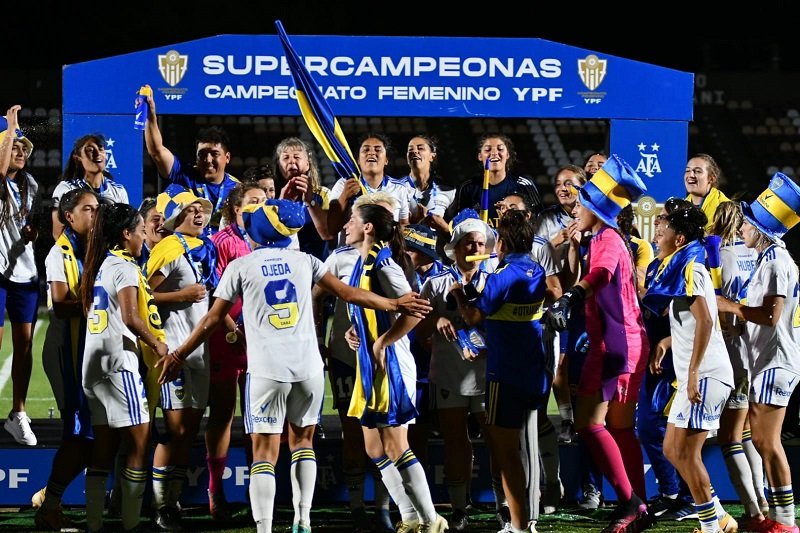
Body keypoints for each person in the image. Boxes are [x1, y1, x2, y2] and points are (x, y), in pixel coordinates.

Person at [157, 199, 432, 533]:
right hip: (308, 370)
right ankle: (303, 520)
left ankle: (265, 527)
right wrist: (392, 303)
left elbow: (213, 319)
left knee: (264, 453)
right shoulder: (307, 261)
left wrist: (179, 354)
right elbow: (348, 294)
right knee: (303, 444)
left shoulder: (241, 266)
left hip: (266, 370)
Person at [545, 154, 652, 533]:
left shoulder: (605, 238)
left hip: (612, 343)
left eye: (581, 205)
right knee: (621, 429)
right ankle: (640, 505)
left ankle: (630, 503)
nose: (575, 209)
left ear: (595, 209)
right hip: (632, 340)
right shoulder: (610, 237)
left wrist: (570, 297)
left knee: (590, 424)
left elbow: (600, 275)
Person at [343, 202, 447, 533]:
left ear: (369, 227)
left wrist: (383, 341)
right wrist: (355, 330)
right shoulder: (363, 261)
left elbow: (416, 310)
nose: (346, 225)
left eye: (352, 220)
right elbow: (371, 310)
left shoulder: (385, 264)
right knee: (374, 447)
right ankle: (411, 516)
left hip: (389, 366)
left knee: (395, 445)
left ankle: (432, 520)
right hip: (370, 363)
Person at [449, 208, 549, 533]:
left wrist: (458, 295)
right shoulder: (536, 270)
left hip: (504, 374)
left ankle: (518, 525)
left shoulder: (501, 276)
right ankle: (528, 520)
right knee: (529, 449)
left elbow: (474, 317)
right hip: (534, 369)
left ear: (502, 241)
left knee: (506, 454)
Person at [643, 206, 737, 533]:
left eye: (661, 230)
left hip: (706, 374)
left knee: (688, 452)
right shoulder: (680, 264)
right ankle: (720, 517)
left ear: (679, 238)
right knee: (672, 449)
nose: (656, 236)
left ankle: (711, 526)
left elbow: (707, 320)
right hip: (694, 375)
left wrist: (694, 371)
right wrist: (668, 343)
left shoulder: (691, 268)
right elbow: (692, 319)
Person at [717, 172, 800, 533]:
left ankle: (785, 520)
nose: (741, 231)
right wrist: (740, 320)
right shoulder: (769, 259)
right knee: (762, 439)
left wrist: (732, 308)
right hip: (765, 360)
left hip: (776, 361)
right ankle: (770, 516)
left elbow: (771, 314)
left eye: (747, 225)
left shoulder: (778, 261)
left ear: (761, 230)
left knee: (767, 440)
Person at [311, 192, 399, 533]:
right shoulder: (339, 258)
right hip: (347, 358)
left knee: (387, 432)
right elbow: (316, 297)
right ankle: (356, 506)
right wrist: (320, 340)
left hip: (382, 358)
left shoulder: (396, 258)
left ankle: (383, 507)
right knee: (353, 432)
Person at [80, 202, 167, 533]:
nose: (145, 234)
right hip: (118, 363)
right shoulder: (126, 267)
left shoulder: (103, 265)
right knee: (139, 443)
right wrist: (157, 343)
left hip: (94, 362)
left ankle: (94, 523)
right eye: (141, 229)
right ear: (126, 233)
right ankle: (131, 524)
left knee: (103, 446)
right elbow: (131, 317)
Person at [416, 212, 499, 531]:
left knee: (496, 441)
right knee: (455, 441)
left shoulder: (493, 281)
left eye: (481, 242)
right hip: (449, 375)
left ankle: (502, 505)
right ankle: (460, 507)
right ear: (456, 246)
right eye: (469, 242)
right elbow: (419, 330)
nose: (475, 247)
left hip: (487, 375)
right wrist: (435, 321)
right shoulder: (436, 283)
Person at [145, 186, 216, 530]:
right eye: (191, 211)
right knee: (173, 433)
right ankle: (162, 505)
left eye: (201, 209)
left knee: (190, 431)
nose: (200, 214)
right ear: (177, 218)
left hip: (199, 351)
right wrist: (181, 294)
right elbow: (143, 296)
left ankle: (171, 499)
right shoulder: (168, 249)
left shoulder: (205, 247)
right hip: (173, 350)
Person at [32, 188, 99, 530]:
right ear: (70, 217)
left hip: (88, 353)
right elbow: (59, 304)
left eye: (97, 208)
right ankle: (50, 503)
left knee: (95, 435)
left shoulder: (98, 249)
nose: (95, 214)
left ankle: (54, 499)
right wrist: (101, 304)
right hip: (65, 353)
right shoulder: (61, 253)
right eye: (88, 209)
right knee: (80, 434)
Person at [205, 182, 267, 520]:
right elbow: (216, 294)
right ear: (235, 209)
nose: (260, 206)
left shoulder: (269, 240)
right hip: (228, 339)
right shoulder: (221, 242)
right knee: (223, 415)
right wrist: (235, 330)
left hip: (259, 340)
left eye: (264, 201)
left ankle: (259, 494)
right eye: (253, 201)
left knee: (258, 419)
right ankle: (216, 492)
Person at [635, 197, 698, 521]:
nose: (657, 225)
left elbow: (701, 315)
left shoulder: (693, 261)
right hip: (656, 355)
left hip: (680, 357)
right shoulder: (663, 261)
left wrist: (669, 341)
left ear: (681, 233)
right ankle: (671, 491)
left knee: (676, 429)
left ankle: (695, 499)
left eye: (664, 221)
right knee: (647, 425)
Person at [707, 200, 769, 530]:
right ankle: (762, 503)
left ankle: (754, 510)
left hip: (732, 355)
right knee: (747, 435)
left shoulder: (719, 254)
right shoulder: (760, 254)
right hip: (760, 354)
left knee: (730, 437)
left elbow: (715, 303)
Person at [534, 165, 587, 445]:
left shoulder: (592, 217)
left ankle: (587, 420)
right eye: (558, 183)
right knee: (558, 365)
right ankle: (566, 419)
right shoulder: (545, 220)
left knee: (581, 365)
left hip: (587, 303)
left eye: (570, 183)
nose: (563, 188)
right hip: (558, 300)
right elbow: (538, 256)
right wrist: (560, 241)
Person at [144, 86, 238, 232]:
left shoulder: (237, 190)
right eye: (202, 154)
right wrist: (151, 116)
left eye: (214, 154)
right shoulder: (184, 175)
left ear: (227, 158)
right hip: (187, 249)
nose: (207, 160)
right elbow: (157, 151)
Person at [0, 106, 40, 446]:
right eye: (13, 147)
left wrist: (31, 234)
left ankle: (19, 413)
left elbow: (26, 224)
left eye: (22, 148)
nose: (19, 152)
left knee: (24, 346)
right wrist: (10, 127)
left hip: (24, 272)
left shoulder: (29, 184)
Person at [401, 224, 444, 470]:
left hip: (441, 367)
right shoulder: (399, 274)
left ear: (425, 252)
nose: (404, 254)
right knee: (413, 435)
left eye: (410, 250)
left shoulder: (446, 276)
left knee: (451, 431)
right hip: (410, 363)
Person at [450, 133, 543, 228]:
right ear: (480, 156)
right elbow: (459, 224)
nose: (494, 153)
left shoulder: (523, 184)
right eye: (487, 149)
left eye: (500, 149)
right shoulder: (468, 187)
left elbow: (540, 219)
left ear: (507, 154)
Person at [328, 132, 412, 235]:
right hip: (351, 251)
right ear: (358, 160)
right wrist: (345, 195)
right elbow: (330, 230)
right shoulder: (343, 184)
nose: (371, 153)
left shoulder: (400, 189)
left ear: (386, 160)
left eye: (378, 150)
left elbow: (403, 227)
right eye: (366, 149)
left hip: (385, 250)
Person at [51, 133, 129, 240]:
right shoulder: (66, 189)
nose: (98, 154)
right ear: (78, 158)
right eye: (90, 150)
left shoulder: (119, 191)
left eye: (101, 149)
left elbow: (124, 229)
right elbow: (58, 233)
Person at [273, 137, 334, 259]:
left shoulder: (323, 194)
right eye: (286, 158)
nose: (291, 161)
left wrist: (310, 201)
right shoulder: (271, 195)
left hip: (317, 270)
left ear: (308, 163)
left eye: (296, 157)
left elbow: (328, 235)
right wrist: (281, 203)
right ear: (278, 165)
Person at [403, 134, 455, 237]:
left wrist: (444, 227)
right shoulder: (397, 189)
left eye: (420, 148)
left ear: (432, 156)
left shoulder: (449, 190)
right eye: (410, 149)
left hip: (439, 251)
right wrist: (416, 221)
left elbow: (460, 233)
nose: (414, 151)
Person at [684, 153, 730, 233]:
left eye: (698, 171)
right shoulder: (681, 208)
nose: (691, 175)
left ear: (711, 178)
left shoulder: (725, 209)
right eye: (687, 170)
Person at [138, 197, 166, 270]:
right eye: (156, 219)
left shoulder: (178, 253)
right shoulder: (132, 257)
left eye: (166, 220)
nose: (162, 224)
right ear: (143, 224)